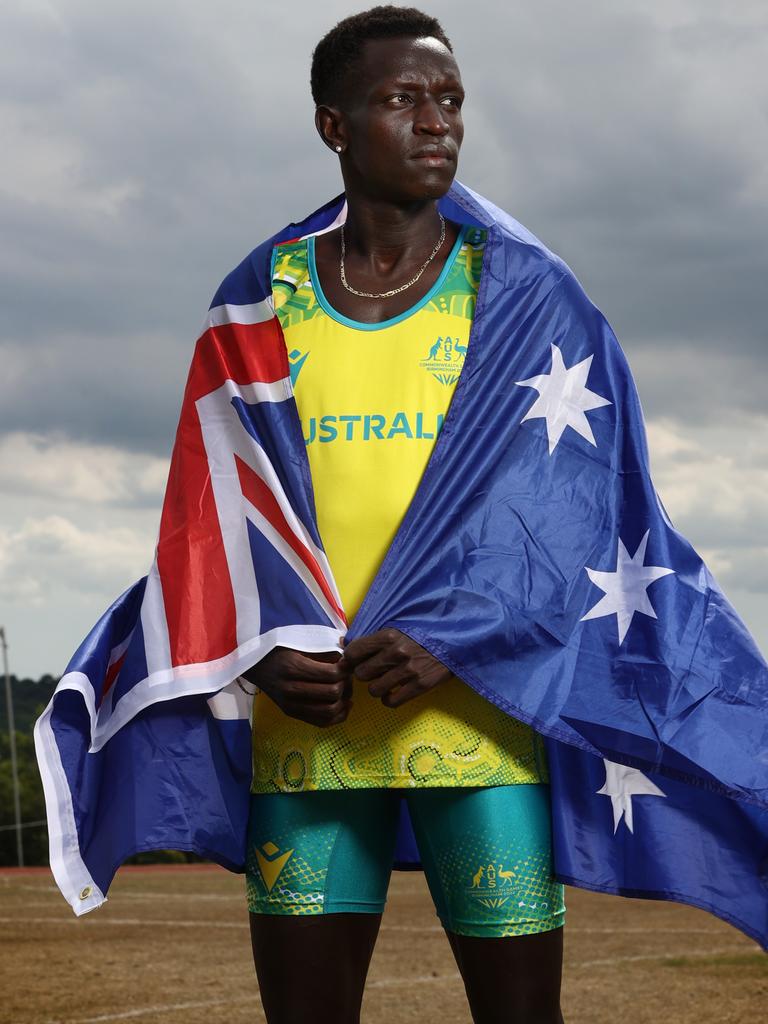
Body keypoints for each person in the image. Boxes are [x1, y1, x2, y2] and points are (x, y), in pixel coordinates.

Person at [242, 8, 566, 1023]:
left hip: (478, 719)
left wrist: (461, 639)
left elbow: (575, 512)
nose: (438, 123)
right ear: (334, 125)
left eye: (451, 100)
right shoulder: (263, 293)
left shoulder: (519, 292)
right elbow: (212, 512)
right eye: (403, 99)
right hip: (310, 720)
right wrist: (257, 644)